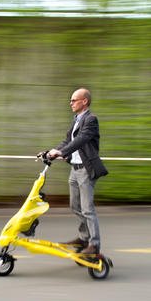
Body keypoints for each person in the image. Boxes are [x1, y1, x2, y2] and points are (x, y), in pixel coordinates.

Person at [42, 87, 108, 255]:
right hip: (74, 169)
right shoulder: (76, 120)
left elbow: (81, 139)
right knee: (75, 206)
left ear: (84, 101)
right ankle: (84, 237)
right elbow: (68, 141)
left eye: (73, 100)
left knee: (87, 209)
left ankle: (94, 244)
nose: (70, 103)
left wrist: (62, 152)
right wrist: (51, 151)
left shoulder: (91, 119)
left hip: (86, 170)